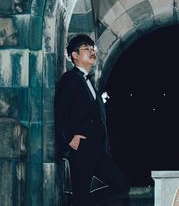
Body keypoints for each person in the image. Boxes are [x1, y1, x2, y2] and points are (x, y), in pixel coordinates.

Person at [55, 34, 130, 205]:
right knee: (81, 193)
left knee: (122, 186)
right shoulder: (70, 78)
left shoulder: (88, 82)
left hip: (98, 149)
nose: (92, 51)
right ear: (75, 55)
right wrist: (70, 138)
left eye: (92, 48)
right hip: (81, 147)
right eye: (86, 48)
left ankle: (81, 202)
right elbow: (61, 109)